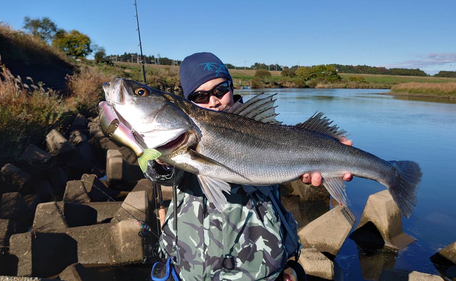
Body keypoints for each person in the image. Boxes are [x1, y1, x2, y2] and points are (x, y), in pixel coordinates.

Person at [148, 52, 353, 281]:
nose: (214, 101)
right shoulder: (177, 140)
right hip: (192, 269)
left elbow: (291, 140)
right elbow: (161, 173)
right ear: (187, 103)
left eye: (220, 90)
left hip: (260, 270)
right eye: (200, 96)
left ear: (232, 88)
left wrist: (326, 149)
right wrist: (159, 158)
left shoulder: (264, 126)